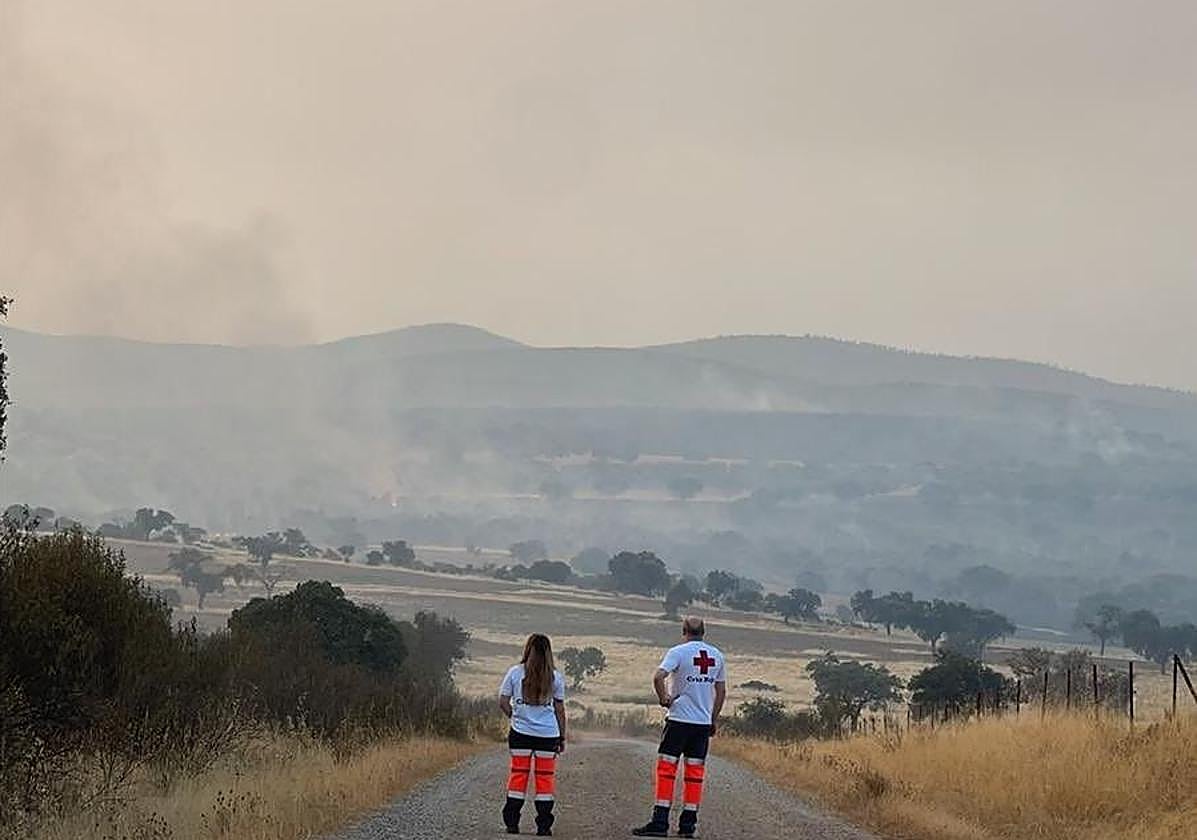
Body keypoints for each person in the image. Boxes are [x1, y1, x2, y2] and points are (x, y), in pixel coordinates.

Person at [633, 616, 726, 838]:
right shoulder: (717, 655)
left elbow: (658, 677)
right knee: (695, 775)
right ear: (704, 632)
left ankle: (660, 822)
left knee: (666, 770)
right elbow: (721, 692)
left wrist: (664, 698)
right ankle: (687, 826)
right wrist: (712, 719)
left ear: (683, 630)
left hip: (678, 721)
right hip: (702, 724)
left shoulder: (677, 652)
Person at [499, 633, 567, 836]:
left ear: (527, 649)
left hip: (520, 733)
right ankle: (544, 826)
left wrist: (515, 716)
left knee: (518, 777)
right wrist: (561, 737)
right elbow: (560, 710)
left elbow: (503, 701)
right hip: (548, 735)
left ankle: (512, 823)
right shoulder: (555, 677)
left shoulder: (514, 672)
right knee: (544, 780)